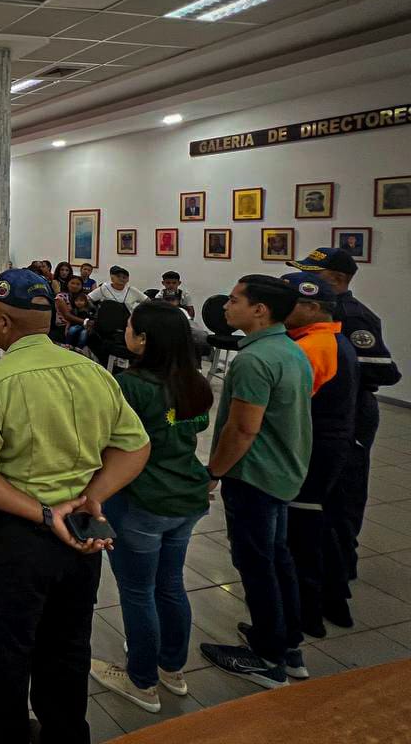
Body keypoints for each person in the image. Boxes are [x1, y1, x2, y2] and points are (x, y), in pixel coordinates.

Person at [0, 268, 150, 744]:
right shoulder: (92, 372)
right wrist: (93, 496)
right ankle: (64, 734)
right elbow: (135, 447)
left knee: (4, 650)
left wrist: (43, 512)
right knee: (67, 645)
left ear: (0, 324)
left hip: (15, 541)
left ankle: (7, 737)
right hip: (80, 532)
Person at [89, 303, 213, 714]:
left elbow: (108, 441)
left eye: (129, 326)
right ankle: (172, 669)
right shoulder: (195, 382)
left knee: (138, 590)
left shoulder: (131, 385)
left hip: (144, 498)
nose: (125, 330)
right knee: (170, 583)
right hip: (186, 495)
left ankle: (141, 680)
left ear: (142, 339)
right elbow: (186, 426)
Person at [199, 275, 313, 688]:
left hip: (256, 476)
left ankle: (267, 659)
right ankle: (286, 642)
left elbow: (243, 429)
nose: (226, 307)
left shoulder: (254, 360)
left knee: (256, 563)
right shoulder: (288, 349)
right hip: (283, 471)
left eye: (234, 300)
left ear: (259, 310)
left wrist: (213, 472)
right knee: (277, 557)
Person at [291, 247, 401, 596]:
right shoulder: (322, 313)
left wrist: (335, 366)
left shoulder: (353, 315)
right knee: (321, 493)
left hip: (350, 412)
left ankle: (340, 569)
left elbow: (385, 371)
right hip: (326, 411)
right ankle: (324, 565)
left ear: (335, 280)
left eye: (313, 274)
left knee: (343, 492)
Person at [280, 272, 358, 638]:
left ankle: (305, 614)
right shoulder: (326, 339)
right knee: (321, 525)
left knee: (303, 533)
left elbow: (286, 408)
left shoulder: (313, 348)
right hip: (330, 448)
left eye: (288, 303)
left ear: (313, 307)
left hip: (314, 453)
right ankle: (332, 599)